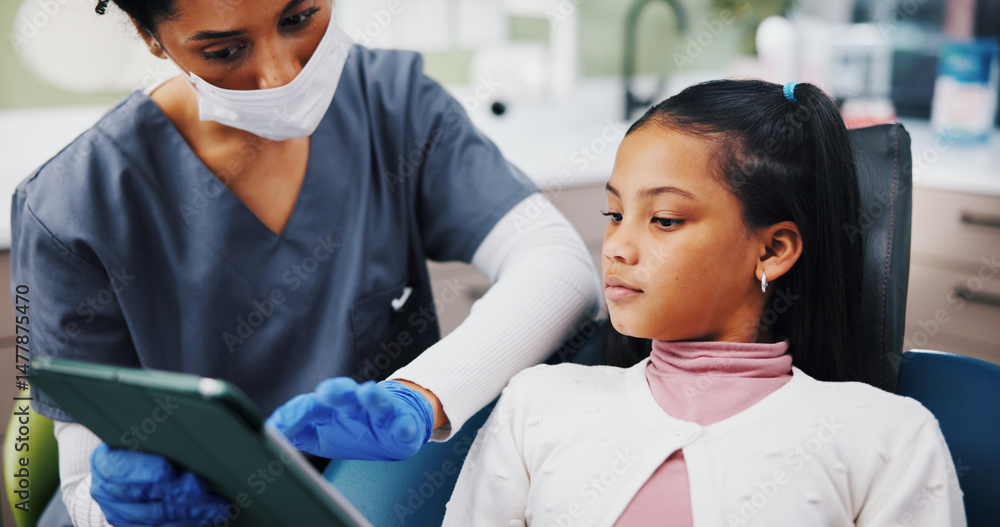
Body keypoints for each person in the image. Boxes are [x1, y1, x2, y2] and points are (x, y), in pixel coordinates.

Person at [10, 0, 601, 525]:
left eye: (299, 18)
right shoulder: (72, 204)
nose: (280, 74)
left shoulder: (391, 102)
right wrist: (118, 513)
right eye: (224, 50)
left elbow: (557, 265)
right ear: (150, 37)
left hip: (363, 488)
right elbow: (84, 482)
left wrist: (421, 396)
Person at [443, 80, 966, 526]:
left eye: (665, 219)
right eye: (614, 214)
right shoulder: (537, 402)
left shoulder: (887, 437)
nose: (617, 247)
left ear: (773, 249)